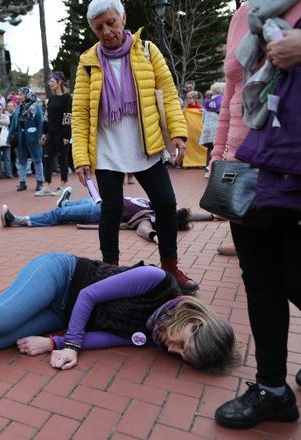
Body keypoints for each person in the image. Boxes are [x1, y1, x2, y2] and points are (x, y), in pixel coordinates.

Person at [212, 0, 301, 430]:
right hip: (244, 167)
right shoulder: (244, 13)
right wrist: (218, 157)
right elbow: (231, 94)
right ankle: (272, 390)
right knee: (260, 282)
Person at [0, 252, 237, 373]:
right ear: (194, 324)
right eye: (183, 345)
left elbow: (108, 338)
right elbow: (89, 295)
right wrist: (71, 344)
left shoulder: (157, 336)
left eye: (181, 357)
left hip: (63, 313)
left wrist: (53, 344)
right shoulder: (158, 283)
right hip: (63, 276)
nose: (173, 349)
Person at [72, 0, 199, 294]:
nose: (106, 31)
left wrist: (178, 132)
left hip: (146, 144)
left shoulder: (148, 50)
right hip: (106, 149)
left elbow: (168, 93)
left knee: (166, 203)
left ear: (123, 17)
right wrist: (81, 157)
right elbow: (79, 113)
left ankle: (170, 268)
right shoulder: (87, 62)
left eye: (111, 23)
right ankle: (110, 272)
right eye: (99, 27)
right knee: (111, 211)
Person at [1, 187, 214, 238]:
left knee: (58, 217)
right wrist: (214, 215)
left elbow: (143, 228)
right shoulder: (163, 207)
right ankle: (65, 204)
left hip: (101, 213)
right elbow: (191, 215)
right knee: (71, 207)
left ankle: (17, 221)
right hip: (106, 201)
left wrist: (152, 236)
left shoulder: (153, 217)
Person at [38, 72, 73, 196]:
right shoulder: (51, 99)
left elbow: (68, 117)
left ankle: (63, 185)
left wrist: (66, 136)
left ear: (59, 82)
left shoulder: (67, 98)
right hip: (51, 134)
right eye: (49, 81)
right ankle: (47, 186)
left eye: (52, 81)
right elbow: (46, 117)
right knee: (47, 158)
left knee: (63, 159)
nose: (49, 83)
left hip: (62, 134)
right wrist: (44, 133)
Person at [9, 87, 44, 192]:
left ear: (27, 95)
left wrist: (39, 136)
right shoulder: (19, 108)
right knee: (21, 160)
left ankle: (39, 182)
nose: (19, 96)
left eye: (21, 94)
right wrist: (9, 137)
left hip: (33, 138)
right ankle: (22, 182)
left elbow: (40, 123)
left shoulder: (36, 107)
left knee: (37, 160)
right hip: (21, 138)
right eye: (18, 94)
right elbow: (13, 125)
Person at [199, 82, 224, 178]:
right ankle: (217, 171)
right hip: (218, 129)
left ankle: (207, 170)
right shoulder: (222, 100)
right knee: (219, 149)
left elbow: (202, 119)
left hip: (207, 129)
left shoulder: (207, 103)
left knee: (210, 149)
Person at [182, 91, 207, 168]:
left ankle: (201, 162)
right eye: (187, 98)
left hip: (198, 130)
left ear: (195, 98)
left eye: (190, 98)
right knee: (189, 147)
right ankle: (188, 162)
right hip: (189, 131)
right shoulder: (185, 110)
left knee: (200, 146)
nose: (188, 100)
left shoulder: (200, 109)